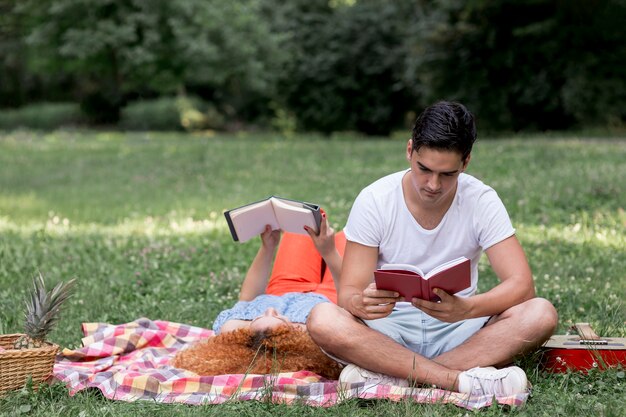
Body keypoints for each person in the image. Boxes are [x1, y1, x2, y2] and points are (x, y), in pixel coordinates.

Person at [306, 101, 558, 395]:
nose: (433, 185)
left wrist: (467, 309)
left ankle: (394, 376)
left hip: (460, 329)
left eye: (448, 174)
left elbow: (522, 286)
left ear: (465, 163)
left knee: (541, 313)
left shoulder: (481, 199)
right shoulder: (375, 199)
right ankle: (457, 381)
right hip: (388, 329)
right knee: (323, 319)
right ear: (410, 150)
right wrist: (360, 303)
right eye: (424, 169)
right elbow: (349, 292)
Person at [173, 214, 345, 379]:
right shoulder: (316, 335)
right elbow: (347, 294)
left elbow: (247, 298)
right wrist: (329, 253)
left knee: (304, 225)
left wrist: (267, 247)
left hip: (285, 285)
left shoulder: (235, 329)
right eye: (278, 318)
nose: (270, 310)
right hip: (335, 292)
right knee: (350, 236)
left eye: (260, 316)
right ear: (295, 335)